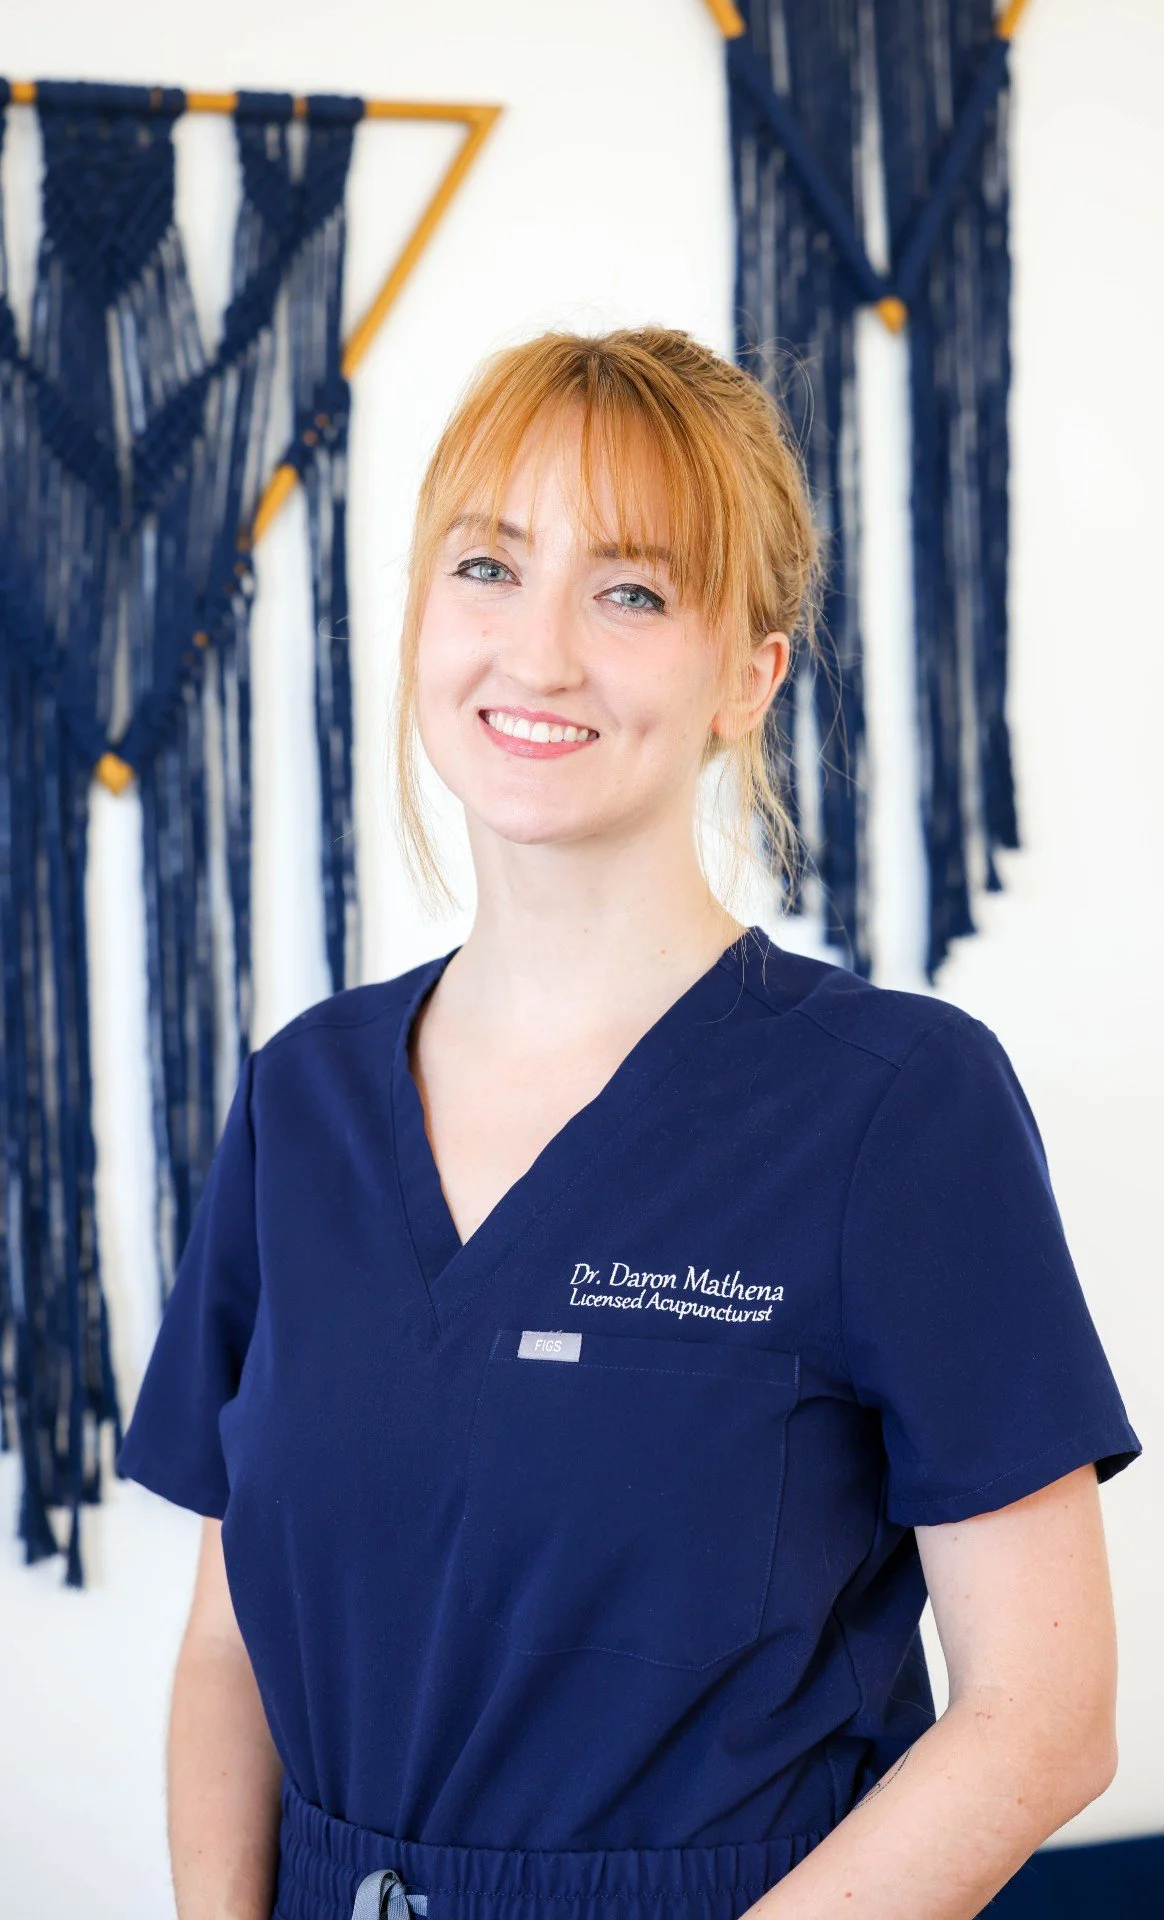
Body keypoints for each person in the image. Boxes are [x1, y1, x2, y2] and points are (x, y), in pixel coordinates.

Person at [116, 326, 1142, 1920]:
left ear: (749, 677)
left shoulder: (898, 1108)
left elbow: (1043, 1719)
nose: (538, 655)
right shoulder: (300, 1100)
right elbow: (229, 1645)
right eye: (488, 568)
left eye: (632, 593)